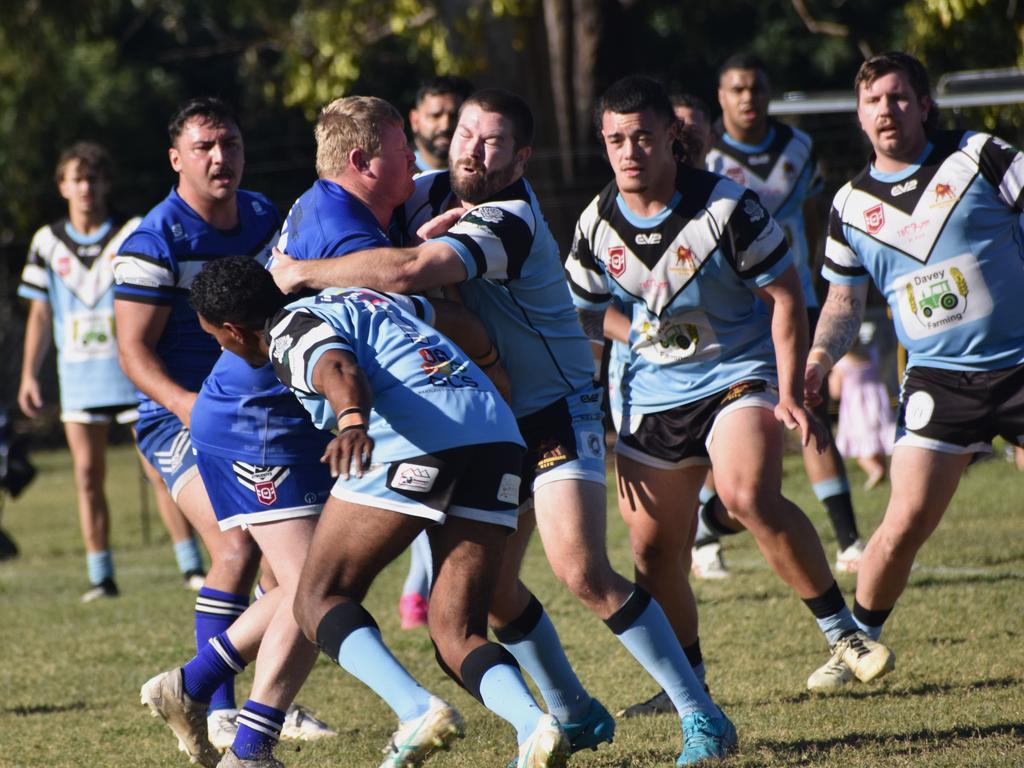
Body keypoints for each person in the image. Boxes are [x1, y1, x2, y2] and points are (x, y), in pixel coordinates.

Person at [271, 87, 740, 765]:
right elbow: (360, 209)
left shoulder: (509, 217)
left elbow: (407, 271)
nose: (472, 149)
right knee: (484, 595)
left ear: (520, 157)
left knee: (581, 568)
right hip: (483, 418)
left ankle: (702, 714)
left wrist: (300, 273)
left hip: (554, 408)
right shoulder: (428, 190)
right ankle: (575, 714)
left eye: (492, 142)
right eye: (465, 133)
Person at [564, 75, 896, 704]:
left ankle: (841, 632)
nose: (629, 151)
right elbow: (580, 312)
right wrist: (631, 330)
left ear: (671, 138)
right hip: (648, 396)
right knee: (654, 549)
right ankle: (687, 683)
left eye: (641, 137)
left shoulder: (726, 206)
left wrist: (791, 390)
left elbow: (786, 294)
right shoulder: (596, 222)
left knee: (747, 494)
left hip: (734, 375)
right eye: (615, 141)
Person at [191, 256, 571, 768]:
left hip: (419, 441)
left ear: (235, 330)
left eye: (216, 337)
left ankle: (416, 710)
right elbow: (456, 319)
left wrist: (351, 421)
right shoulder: (360, 298)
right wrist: (486, 366)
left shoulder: (289, 330)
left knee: (316, 597)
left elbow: (337, 368)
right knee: (455, 629)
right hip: (496, 435)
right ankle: (535, 724)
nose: (221, 346)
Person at [115, 98, 331, 753]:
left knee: (293, 562)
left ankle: (268, 705)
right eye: (205, 146)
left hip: (259, 415)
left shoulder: (265, 215)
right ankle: (216, 711)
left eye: (230, 144)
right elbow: (132, 353)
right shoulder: (154, 242)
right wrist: (188, 408)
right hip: (176, 419)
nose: (220, 158)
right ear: (176, 159)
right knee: (240, 547)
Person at [804, 51, 1024, 690]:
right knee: (901, 524)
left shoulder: (978, 154)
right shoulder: (847, 204)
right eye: (874, 101)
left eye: (900, 98)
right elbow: (844, 302)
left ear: (925, 105)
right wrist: (820, 356)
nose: (887, 110)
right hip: (938, 382)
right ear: (859, 115)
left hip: (1019, 362)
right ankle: (855, 644)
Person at [699, 53, 864, 580]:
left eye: (756, 88)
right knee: (721, 417)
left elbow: (813, 216)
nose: (748, 98)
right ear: (720, 98)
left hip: (794, 300)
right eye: (737, 89)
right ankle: (705, 533)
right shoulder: (706, 159)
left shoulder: (800, 146)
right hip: (737, 310)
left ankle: (849, 539)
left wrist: (808, 276)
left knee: (810, 406)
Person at [17, 141, 205, 601]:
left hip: (132, 374)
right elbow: (40, 314)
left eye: (94, 178)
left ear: (106, 184)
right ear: (62, 186)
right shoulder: (46, 241)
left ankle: (192, 566)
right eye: (77, 179)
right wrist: (28, 373)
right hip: (79, 380)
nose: (86, 188)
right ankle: (101, 576)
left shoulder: (132, 233)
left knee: (162, 471)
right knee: (87, 475)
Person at [401, 76, 476, 629]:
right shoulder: (403, 192)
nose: (444, 123)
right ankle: (417, 587)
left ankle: (432, 590)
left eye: (455, 114)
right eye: (435, 113)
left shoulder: (481, 190)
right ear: (415, 119)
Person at [829, 327, 895, 490]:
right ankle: (884, 471)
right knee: (876, 442)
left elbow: (835, 392)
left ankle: (875, 470)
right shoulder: (871, 355)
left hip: (856, 408)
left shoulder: (842, 365)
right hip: (878, 402)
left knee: (859, 448)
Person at [409, 75, 475, 173]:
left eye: (455, 116)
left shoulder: (481, 177)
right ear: (415, 120)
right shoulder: (394, 173)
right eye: (435, 116)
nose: (445, 126)